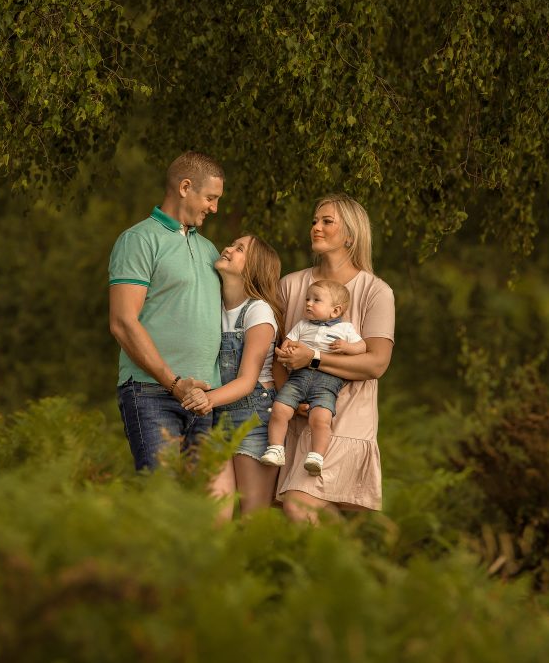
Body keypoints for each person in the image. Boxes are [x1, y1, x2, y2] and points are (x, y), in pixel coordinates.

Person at [273, 194, 395, 523]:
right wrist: (288, 395)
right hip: (295, 418)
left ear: (351, 235)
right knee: (305, 516)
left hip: (347, 421)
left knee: (298, 506)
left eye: (327, 221)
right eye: (315, 220)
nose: (316, 227)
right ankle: (347, 555)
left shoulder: (376, 291)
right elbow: (276, 354)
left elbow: (376, 364)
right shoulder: (290, 285)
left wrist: (313, 358)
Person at [108, 151, 226, 471]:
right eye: (211, 198)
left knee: (195, 498)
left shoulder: (210, 250)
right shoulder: (138, 240)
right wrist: (174, 384)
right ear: (185, 187)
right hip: (152, 392)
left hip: (205, 398)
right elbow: (122, 322)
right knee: (160, 492)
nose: (214, 208)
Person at [180, 234, 283, 519]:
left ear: (254, 268)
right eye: (232, 244)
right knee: (216, 516)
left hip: (253, 419)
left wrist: (205, 399)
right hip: (215, 417)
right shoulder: (212, 307)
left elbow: (247, 381)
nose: (227, 249)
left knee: (252, 520)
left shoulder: (258, 311)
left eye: (240, 249)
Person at [260, 279, 366, 475]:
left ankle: (316, 456)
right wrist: (286, 348)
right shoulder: (302, 325)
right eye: (307, 299)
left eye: (316, 300)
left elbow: (362, 347)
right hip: (298, 378)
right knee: (279, 409)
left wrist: (347, 347)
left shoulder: (345, 329)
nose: (308, 303)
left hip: (328, 380)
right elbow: (288, 341)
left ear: (335, 311)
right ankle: (275, 448)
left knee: (321, 419)